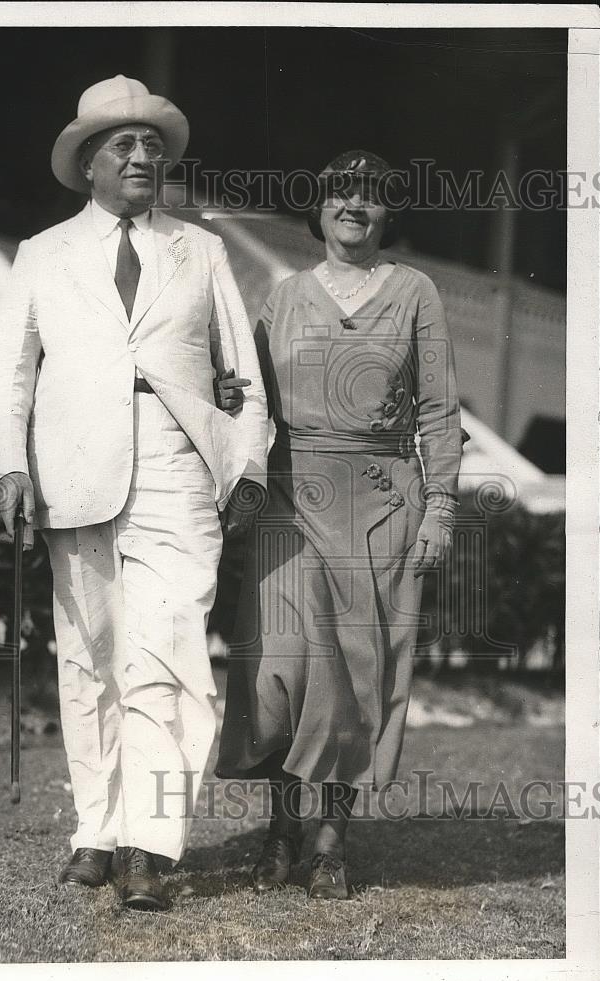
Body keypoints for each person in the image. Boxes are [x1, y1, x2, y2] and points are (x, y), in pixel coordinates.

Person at [0, 75, 267, 911]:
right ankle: (95, 833)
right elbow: (9, 378)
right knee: (89, 656)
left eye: (152, 144)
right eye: (123, 144)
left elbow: (243, 375)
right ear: (87, 163)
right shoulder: (42, 253)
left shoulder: (199, 250)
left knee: (168, 648)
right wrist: (8, 468)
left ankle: (150, 843)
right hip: (72, 471)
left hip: (178, 466)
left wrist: (247, 466)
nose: (142, 155)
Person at [216, 150, 465, 900]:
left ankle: (329, 842)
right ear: (319, 207)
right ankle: (280, 828)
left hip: (382, 505)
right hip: (290, 501)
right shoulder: (285, 296)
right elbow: (247, 398)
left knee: (354, 675)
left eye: (371, 195)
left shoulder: (415, 292)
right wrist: (223, 394)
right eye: (340, 193)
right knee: (280, 671)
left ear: (389, 212)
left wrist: (440, 508)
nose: (354, 205)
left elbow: (439, 411)